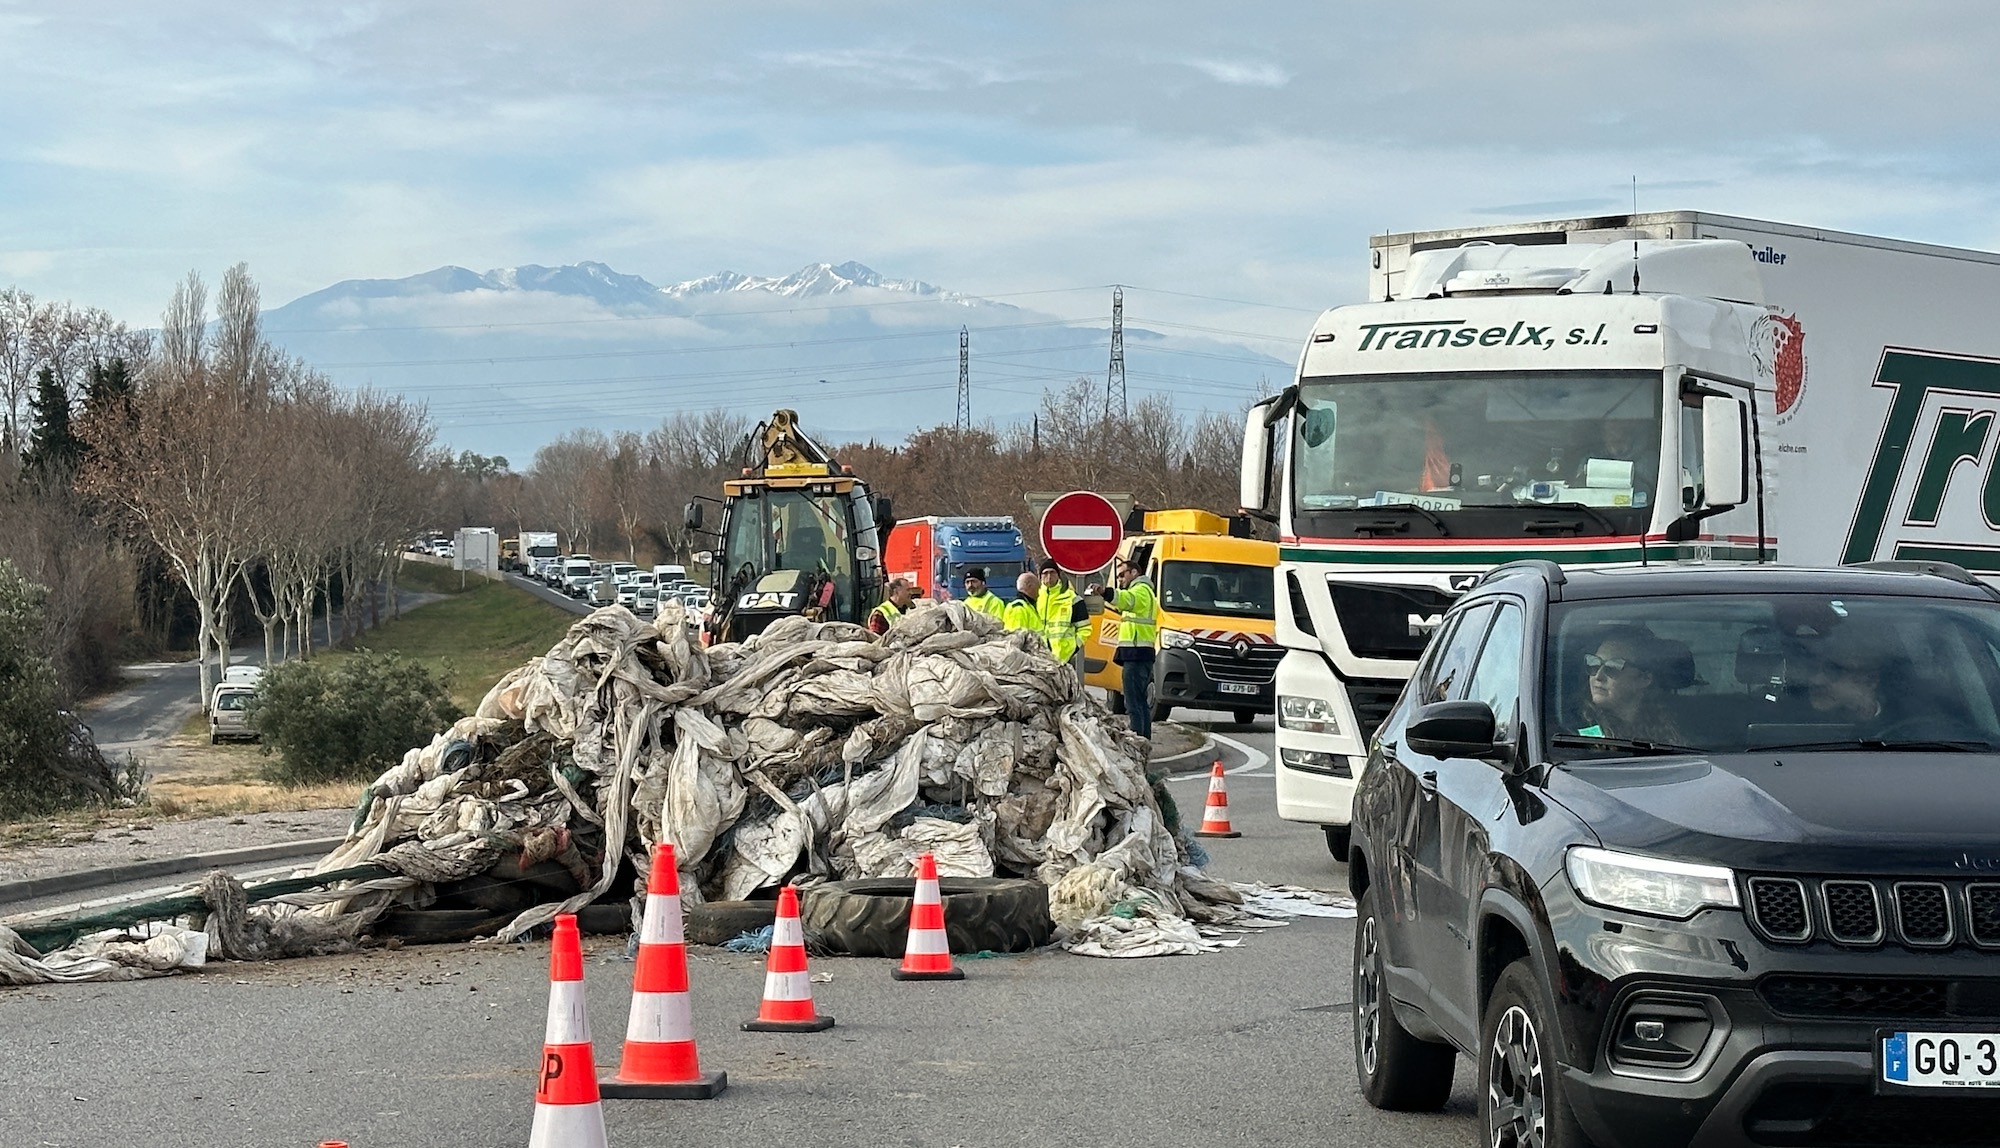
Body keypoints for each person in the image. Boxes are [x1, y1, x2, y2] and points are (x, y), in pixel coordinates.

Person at [1089, 557, 1159, 742]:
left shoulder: (1141, 591)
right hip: (1138, 654)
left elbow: (1127, 600)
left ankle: (1137, 743)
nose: (1120, 580)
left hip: (1137, 654)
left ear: (1134, 573)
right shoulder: (1145, 592)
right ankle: (1144, 742)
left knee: (1133, 704)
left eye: (1122, 575)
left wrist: (1106, 593)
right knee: (1140, 702)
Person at [1575, 628, 1685, 744]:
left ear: (1645, 679)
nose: (1598, 676)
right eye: (1594, 663)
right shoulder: (1573, 727)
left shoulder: (1672, 725)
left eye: (1613, 667)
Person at [1036, 561, 1082, 667]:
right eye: (1045, 573)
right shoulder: (1036, 597)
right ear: (1040, 577)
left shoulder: (1072, 598)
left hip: (1064, 658)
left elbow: (1085, 628)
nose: (1049, 576)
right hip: (1040, 657)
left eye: (1052, 573)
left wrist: (1073, 647)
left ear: (1058, 575)